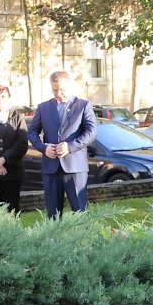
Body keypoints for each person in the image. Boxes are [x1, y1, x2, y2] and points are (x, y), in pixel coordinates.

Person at [28, 71, 97, 217]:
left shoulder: (83, 105)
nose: (59, 93)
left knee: (79, 212)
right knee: (53, 214)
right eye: (55, 90)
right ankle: (55, 240)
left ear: (69, 85)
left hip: (75, 167)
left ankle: (82, 239)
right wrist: (43, 148)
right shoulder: (43, 107)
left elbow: (91, 132)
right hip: (51, 167)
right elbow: (32, 132)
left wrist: (70, 146)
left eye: (62, 90)